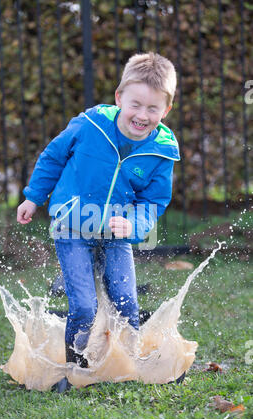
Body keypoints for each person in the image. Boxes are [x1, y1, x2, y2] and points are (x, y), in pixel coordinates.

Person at [17, 52, 180, 392]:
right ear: (120, 98)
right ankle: (75, 368)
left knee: (126, 300)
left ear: (166, 110)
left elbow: (154, 201)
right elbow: (53, 156)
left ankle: (127, 360)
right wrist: (34, 196)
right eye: (136, 104)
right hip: (72, 227)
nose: (142, 115)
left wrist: (134, 225)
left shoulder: (162, 151)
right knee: (83, 305)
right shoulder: (89, 126)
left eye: (153, 109)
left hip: (116, 233)